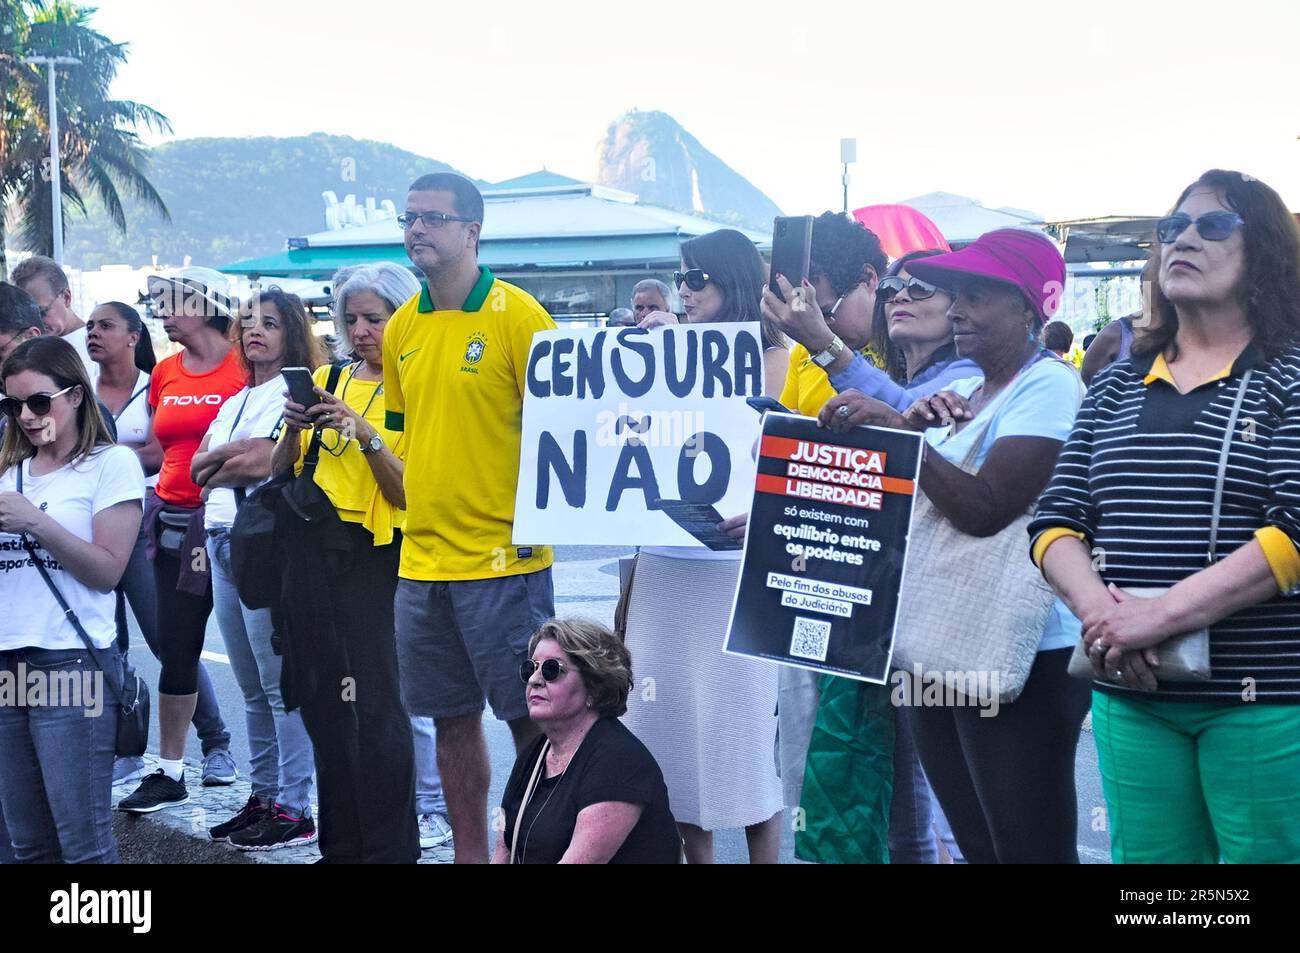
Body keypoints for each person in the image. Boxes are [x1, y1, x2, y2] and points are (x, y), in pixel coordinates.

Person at [1031, 170, 1300, 863]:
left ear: (1264, 251)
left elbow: (1293, 528)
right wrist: (1104, 616)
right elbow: (1055, 521)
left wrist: (1156, 616)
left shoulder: (1289, 376)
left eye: (1213, 225)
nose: (1183, 238)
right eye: (1171, 227)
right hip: (1131, 689)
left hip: (1263, 697)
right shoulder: (1117, 382)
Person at [820, 227, 1090, 863]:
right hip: (946, 640)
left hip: (1022, 652)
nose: (959, 308)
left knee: (1028, 847)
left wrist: (900, 436)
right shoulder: (968, 397)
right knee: (980, 844)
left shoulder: (1048, 387)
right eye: (956, 293)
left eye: (977, 295)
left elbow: (985, 509)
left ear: (1028, 306)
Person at [385, 172, 557, 863]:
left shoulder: (520, 317)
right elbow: (402, 441)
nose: (416, 229)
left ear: (471, 231)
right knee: (451, 721)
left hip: (504, 563)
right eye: (409, 217)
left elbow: (562, 437)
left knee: (532, 720)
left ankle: (539, 848)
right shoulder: (402, 326)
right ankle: (470, 854)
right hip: (420, 564)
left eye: (432, 218)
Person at [621, 227, 786, 864]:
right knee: (669, 731)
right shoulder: (654, 347)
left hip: (734, 567)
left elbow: (750, 433)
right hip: (666, 559)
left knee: (740, 732)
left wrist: (678, 355)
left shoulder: (773, 352)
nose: (682, 292)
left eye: (696, 280)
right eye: (680, 279)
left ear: (732, 282)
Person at [270, 263, 430, 862]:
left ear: (403, 316)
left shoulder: (417, 388)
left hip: (379, 559)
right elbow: (280, 472)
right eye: (352, 318)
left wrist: (364, 432)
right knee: (322, 699)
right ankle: (340, 845)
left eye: (375, 318)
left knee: (379, 706)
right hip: (313, 555)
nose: (361, 330)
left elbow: (406, 492)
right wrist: (292, 429)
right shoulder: (326, 375)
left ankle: (390, 848)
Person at [0, 336, 144, 863]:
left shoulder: (111, 464)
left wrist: (35, 522)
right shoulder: (8, 473)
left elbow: (107, 571)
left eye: (40, 402)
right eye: (12, 405)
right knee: (29, 844)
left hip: (71, 664)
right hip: (6, 666)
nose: (27, 416)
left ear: (76, 395)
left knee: (83, 844)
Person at [194, 287, 324, 851]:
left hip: (265, 544)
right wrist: (235, 457)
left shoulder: (295, 393)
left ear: (292, 331)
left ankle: (295, 806)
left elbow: (274, 462)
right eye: (249, 322)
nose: (256, 332)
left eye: (270, 323)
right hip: (220, 540)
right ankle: (264, 794)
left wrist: (235, 457)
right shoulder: (233, 401)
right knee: (249, 687)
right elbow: (197, 469)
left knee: (279, 687)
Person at [117, 267, 243, 815]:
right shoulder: (164, 370)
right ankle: (169, 771)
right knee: (177, 644)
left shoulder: (247, 365)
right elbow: (157, 446)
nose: (160, 310)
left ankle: (276, 786)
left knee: (265, 659)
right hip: (170, 519)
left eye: (171, 300)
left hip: (236, 523)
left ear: (207, 304)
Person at [493, 618, 680, 864]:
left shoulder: (620, 763)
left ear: (594, 688)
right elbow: (503, 850)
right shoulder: (536, 754)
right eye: (531, 668)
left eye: (551, 670)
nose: (534, 679)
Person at [767, 213, 978, 414]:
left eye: (920, 287)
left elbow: (905, 413)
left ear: (958, 306)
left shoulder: (973, 373)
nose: (900, 296)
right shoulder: (904, 377)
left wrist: (822, 345)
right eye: (891, 287)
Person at [86, 301, 170, 786]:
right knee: (107, 642)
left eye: (106, 326)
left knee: (165, 639)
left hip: (144, 521)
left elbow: (159, 454)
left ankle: (217, 740)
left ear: (134, 336)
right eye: (92, 326)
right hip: (92, 523)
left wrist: (102, 462)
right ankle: (124, 749)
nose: (95, 334)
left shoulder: (153, 386)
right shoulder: (78, 391)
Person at [12, 256, 96, 380]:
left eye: (42, 312)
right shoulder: (26, 351)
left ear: (66, 298)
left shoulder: (97, 346)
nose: (34, 322)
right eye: (27, 315)